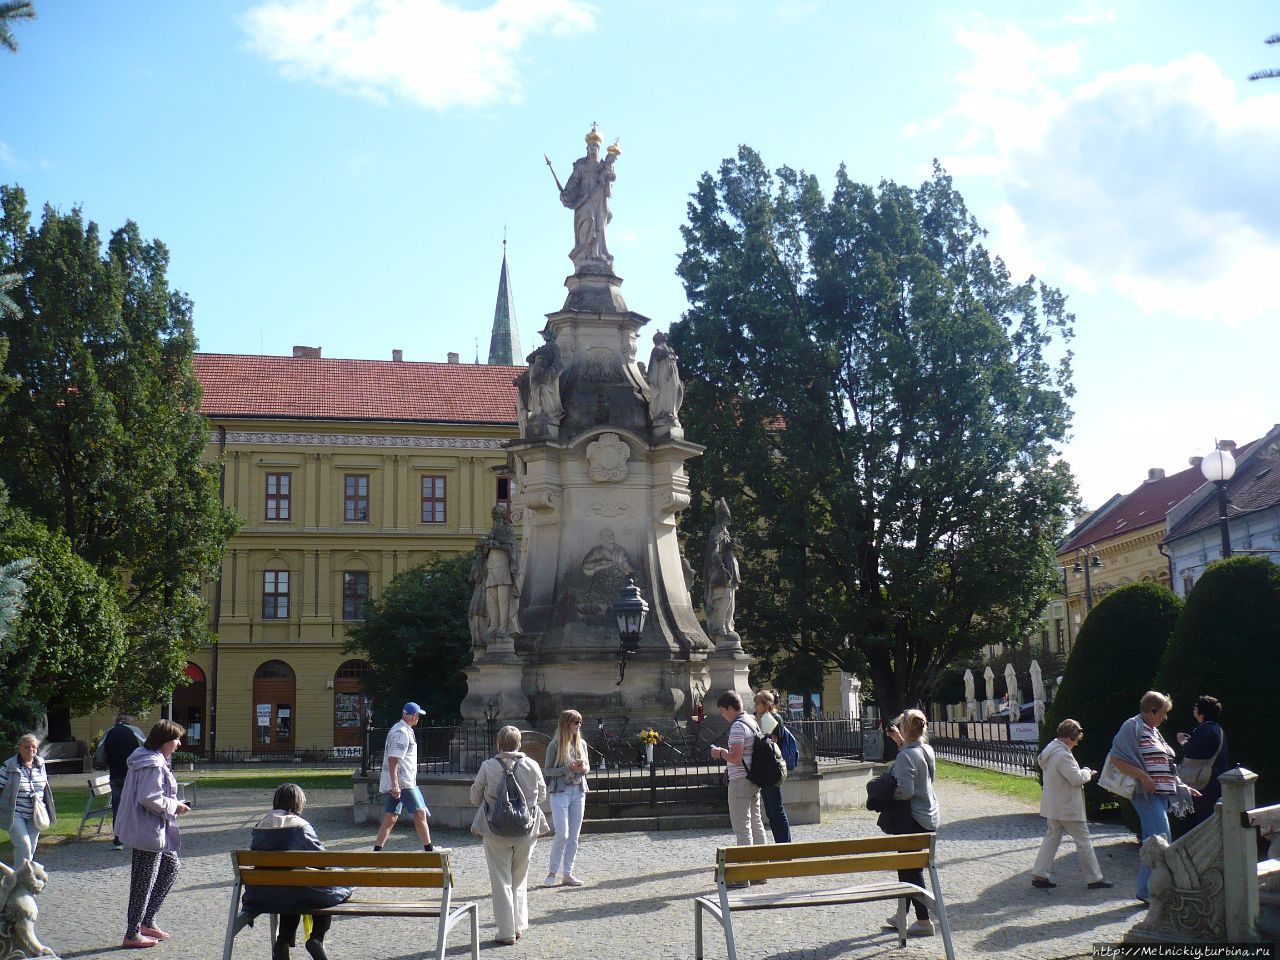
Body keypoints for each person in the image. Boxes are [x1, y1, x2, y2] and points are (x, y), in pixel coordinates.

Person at [1104, 690, 1199, 906]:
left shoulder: (1153, 730)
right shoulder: (1133, 726)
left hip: (1161, 794)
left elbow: (1165, 765)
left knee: (1154, 840)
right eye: (1163, 713)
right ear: (1152, 710)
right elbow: (1117, 758)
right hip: (1146, 794)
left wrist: (1181, 786)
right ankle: (1152, 890)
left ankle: (1148, 889)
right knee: (1160, 838)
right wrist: (1143, 776)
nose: (1165, 718)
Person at [242, 783, 352, 960]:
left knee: (289, 889)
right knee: (326, 888)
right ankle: (316, 937)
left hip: (263, 893)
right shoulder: (301, 826)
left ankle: (283, 940)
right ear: (298, 802)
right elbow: (322, 861)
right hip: (299, 893)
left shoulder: (260, 826)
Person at [115, 719, 191, 949]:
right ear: (164, 741)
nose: (179, 744)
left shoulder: (152, 759)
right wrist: (174, 806)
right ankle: (132, 933)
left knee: (171, 867)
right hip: (147, 830)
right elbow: (149, 797)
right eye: (176, 739)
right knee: (143, 882)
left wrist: (172, 803)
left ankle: (147, 921)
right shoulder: (152, 764)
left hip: (153, 830)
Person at [470, 725, 548, 946]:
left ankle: (505, 931)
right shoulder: (532, 765)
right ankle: (519, 925)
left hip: (495, 831)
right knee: (519, 879)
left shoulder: (488, 766)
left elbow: (475, 798)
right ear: (519, 743)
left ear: (499, 744)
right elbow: (542, 795)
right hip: (526, 830)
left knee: (500, 880)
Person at [1031, 719, 1113, 891]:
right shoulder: (1063, 754)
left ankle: (1039, 874)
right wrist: (1087, 772)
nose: (1076, 744)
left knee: (1051, 839)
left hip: (1053, 804)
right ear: (1069, 737)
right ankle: (1094, 878)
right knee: (1083, 841)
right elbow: (1076, 779)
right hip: (1067, 806)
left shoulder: (1049, 750)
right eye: (1076, 740)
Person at [884, 709, 941, 938]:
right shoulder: (926, 749)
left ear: (905, 729)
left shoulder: (906, 756)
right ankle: (901, 915)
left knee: (910, 869)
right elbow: (917, 767)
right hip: (929, 814)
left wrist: (885, 795)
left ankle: (924, 920)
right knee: (908, 867)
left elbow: (905, 792)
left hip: (913, 818)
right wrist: (901, 742)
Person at [710, 690, 766, 869]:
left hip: (740, 780)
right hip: (754, 779)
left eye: (722, 710)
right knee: (756, 824)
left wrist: (719, 753)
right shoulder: (752, 721)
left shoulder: (737, 726)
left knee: (742, 828)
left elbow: (735, 757)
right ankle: (761, 869)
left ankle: (745, 873)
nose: (722, 715)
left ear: (730, 708)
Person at [373, 702, 433, 852]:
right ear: (413, 716)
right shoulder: (402, 733)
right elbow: (393, 760)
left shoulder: (401, 730)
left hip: (401, 782)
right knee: (420, 813)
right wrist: (395, 785)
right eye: (418, 715)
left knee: (391, 817)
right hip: (404, 783)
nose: (419, 718)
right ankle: (429, 849)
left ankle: (377, 851)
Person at [559, 125, 618, 269]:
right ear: (587, 148)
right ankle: (583, 255)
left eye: (595, 146)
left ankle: (596, 255)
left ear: (599, 148)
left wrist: (606, 178)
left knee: (599, 227)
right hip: (584, 202)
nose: (592, 148)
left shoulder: (603, 166)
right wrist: (566, 193)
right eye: (590, 146)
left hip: (599, 202)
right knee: (588, 222)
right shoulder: (581, 164)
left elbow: (611, 181)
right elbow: (573, 181)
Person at [543, 709, 590, 887]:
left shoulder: (582, 744)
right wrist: (567, 768)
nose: (578, 725)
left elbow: (588, 767)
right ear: (566, 724)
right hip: (560, 792)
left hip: (578, 790)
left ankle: (568, 873)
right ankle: (552, 872)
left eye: (579, 722)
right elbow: (547, 770)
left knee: (574, 836)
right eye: (575, 722)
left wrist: (583, 769)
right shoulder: (554, 745)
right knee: (562, 834)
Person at [0, 733, 56, 868]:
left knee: (30, 849)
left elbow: (44, 787)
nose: (31, 750)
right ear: (20, 748)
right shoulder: (9, 767)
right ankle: (22, 880)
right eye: (27, 747)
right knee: (23, 845)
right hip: (15, 814)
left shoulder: (40, 764)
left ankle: (21, 878)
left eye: (34, 747)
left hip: (35, 813)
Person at [1176, 695, 1228, 827]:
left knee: (1206, 820)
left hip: (1206, 781)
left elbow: (1193, 752)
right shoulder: (1216, 729)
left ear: (1201, 711)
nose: (1194, 710)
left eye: (1195, 707)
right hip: (1216, 778)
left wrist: (1183, 742)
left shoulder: (1205, 729)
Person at [98, 713, 145, 850]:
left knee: (117, 807)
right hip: (133, 775)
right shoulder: (136, 731)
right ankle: (136, 836)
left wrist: (110, 761)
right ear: (129, 721)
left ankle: (118, 840)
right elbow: (147, 749)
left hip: (116, 775)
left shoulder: (108, 732)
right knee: (136, 805)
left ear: (115, 720)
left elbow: (100, 756)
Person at [752, 691, 792, 844]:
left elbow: (770, 742)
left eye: (758, 704)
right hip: (766, 767)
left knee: (776, 809)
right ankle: (779, 843)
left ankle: (784, 844)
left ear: (766, 705)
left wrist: (759, 726)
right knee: (771, 811)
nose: (755, 707)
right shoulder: (763, 718)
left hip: (773, 767)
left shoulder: (773, 718)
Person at [646, 331, 683, 426]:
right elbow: (653, 366)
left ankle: (671, 413)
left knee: (672, 392)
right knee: (664, 393)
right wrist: (652, 381)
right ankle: (663, 414)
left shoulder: (670, 349)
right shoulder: (656, 349)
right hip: (663, 374)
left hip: (673, 374)